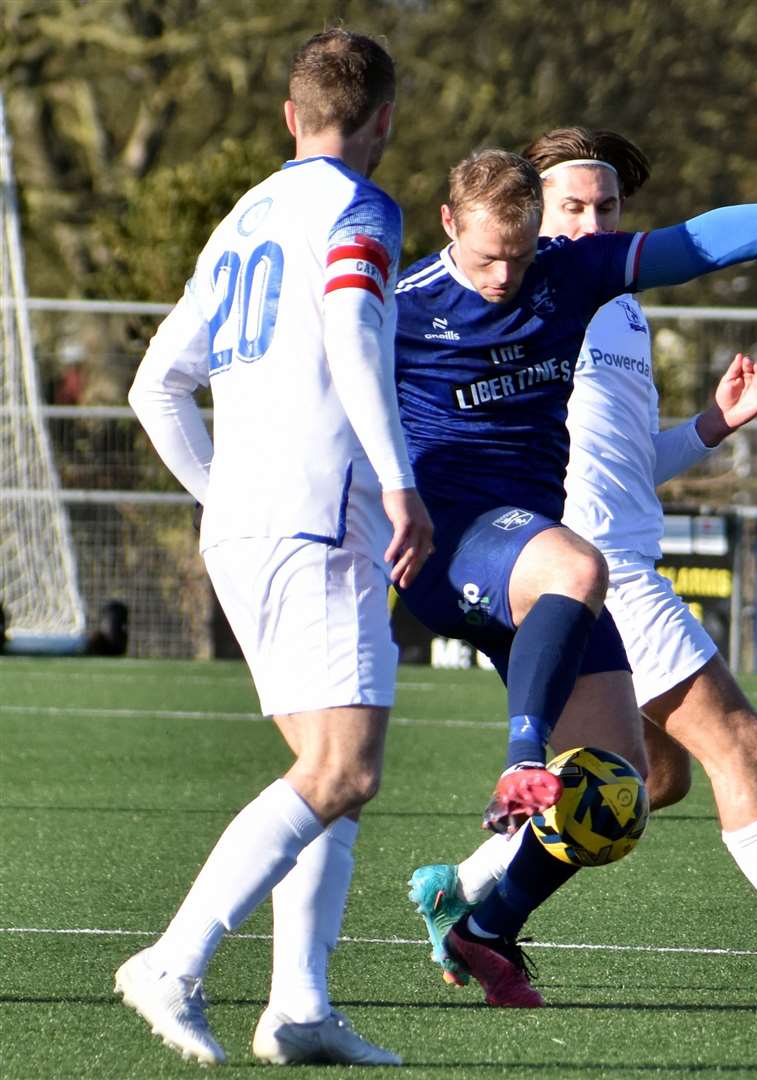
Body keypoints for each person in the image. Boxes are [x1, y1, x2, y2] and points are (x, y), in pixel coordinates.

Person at [406, 128, 757, 1009]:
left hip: (609, 548)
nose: (591, 223)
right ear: (518, 216)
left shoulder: (612, 301)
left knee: (646, 780)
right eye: (569, 208)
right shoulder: (521, 289)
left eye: (607, 207)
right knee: (738, 742)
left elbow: (623, 456)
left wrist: (709, 428)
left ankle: (468, 893)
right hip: (585, 563)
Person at [121, 29, 432, 1065]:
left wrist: (223, 495)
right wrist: (397, 482)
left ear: (290, 118)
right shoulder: (360, 207)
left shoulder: (240, 219)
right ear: (384, 118)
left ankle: (298, 1004)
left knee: (320, 767)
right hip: (321, 516)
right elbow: (351, 334)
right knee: (343, 771)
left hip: (246, 525)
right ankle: (173, 961)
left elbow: (153, 384)